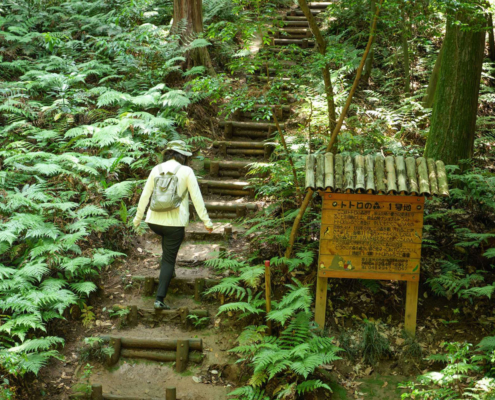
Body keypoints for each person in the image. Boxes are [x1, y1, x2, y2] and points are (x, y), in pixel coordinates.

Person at [133, 140, 213, 310]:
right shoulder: (186, 171)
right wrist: (206, 221)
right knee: (169, 258)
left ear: (168, 153)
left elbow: (145, 195)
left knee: (167, 246)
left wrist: (137, 218)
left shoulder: (156, 169)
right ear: (182, 156)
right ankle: (159, 298)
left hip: (153, 222)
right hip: (174, 224)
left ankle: (169, 273)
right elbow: (196, 199)